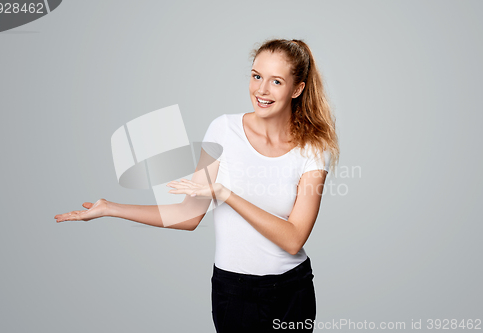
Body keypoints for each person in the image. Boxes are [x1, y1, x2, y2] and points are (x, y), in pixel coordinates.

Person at [54, 38, 339, 332]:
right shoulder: (223, 131)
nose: (261, 90)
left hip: (293, 292)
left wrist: (226, 194)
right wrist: (110, 208)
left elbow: (293, 239)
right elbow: (189, 216)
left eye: (276, 81)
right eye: (256, 76)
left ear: (297, 89)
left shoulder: (313, 148)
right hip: (235, 292)